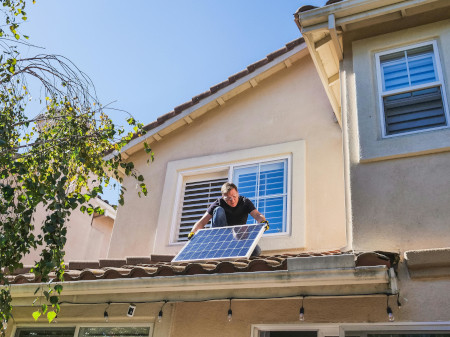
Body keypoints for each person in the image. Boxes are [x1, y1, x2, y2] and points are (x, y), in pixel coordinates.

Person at [188, 182, 269, 256]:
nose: (232, 201)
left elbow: (257, 215)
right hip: (221, 236)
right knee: (218, 210)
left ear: (237, 193)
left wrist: (263, 222)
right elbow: (202, 222)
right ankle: (219, 243)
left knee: (256, 251)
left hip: (238, 237)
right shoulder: (218, 203)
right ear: (223, 197)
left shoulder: (245, 202)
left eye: (234, 197)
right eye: (228, 199)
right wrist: (193, 233)